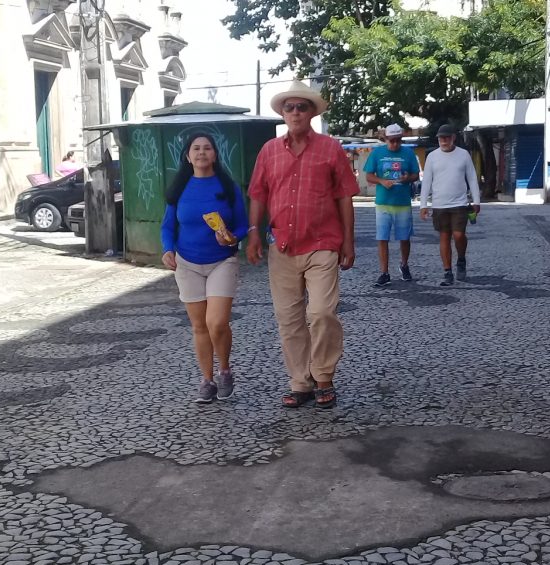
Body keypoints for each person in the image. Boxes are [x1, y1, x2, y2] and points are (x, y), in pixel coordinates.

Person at [246, 80, 360, 409]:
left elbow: (344, 196)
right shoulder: (269, 151)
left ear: (312, 113)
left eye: (302, 107)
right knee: (289, 318)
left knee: (321, 312)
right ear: (283, 113)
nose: (295, 112)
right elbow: (258, 194)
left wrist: (348, 242)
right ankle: (300, 381)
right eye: (290, 107)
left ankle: (323, 375)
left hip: (323, 242)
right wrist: (254, 232)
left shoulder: (330, 148)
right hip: (281, 244)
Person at [160, 132, 249, 404]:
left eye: (207, 148)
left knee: (217, 322)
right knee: (199, 326)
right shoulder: (179, 189)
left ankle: (225, 370)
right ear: (188, 156)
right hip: (187, 264)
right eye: (196, 148)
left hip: (222, 260)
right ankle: (207, 380)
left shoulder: (227, 187)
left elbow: (242, 225)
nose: (201, 153)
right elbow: (167, 226)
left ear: (215, 154)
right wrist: (168, 249)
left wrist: (232, 237)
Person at [419, 124, 481, 286]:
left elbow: (472, 177)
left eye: (447, 137)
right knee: (444, 236)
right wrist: (423, 205)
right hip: (439, 204)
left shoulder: (463, 155)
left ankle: (461, 258)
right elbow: (427, 181)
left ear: (453, 137)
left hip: (460, 203)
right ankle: (447, 271)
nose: (444, 141)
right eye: (441, 138)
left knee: (459, 235)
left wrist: (476, 200)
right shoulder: (432, 157)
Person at [364, 123, 421, 286]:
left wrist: (407, 178)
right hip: (383, 202)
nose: (395, 144)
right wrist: (381, 181)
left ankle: (404, 265)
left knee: (404, 237)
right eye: (392, 141)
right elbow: (369, 175)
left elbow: (416, 174)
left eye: (398, 140)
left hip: (403, 202)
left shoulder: (408, 153)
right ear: (386, 139)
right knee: (382, 237)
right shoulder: (377, 153)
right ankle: (384, 272)